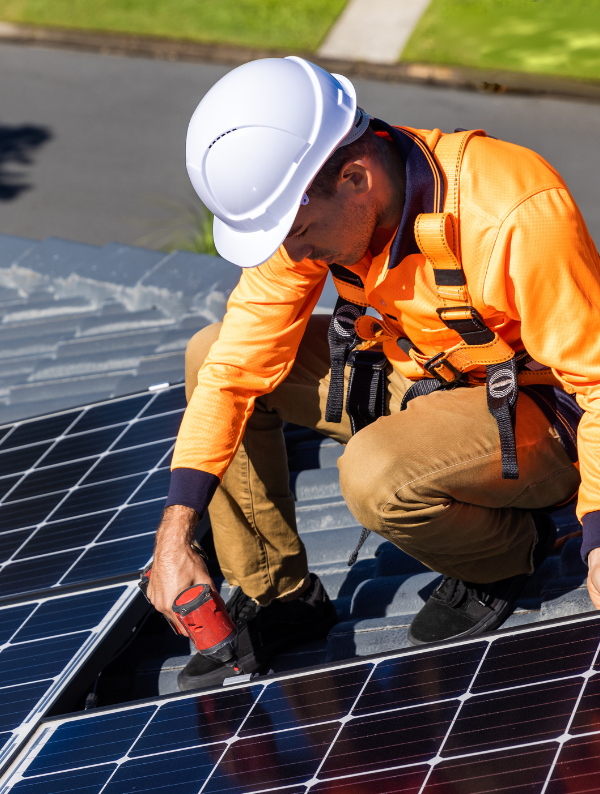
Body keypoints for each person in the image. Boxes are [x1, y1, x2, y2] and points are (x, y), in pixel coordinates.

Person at [147, 56, 600, 690]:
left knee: (373, 472)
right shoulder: (318, 210)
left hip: (537, 420)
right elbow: (231, 370)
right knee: (210, 350)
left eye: (300, 232)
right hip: (420, 379)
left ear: (357, 177)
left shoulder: (514, 209)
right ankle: (280, 594)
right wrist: (175, 534)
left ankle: (504, 553)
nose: (296, 255)